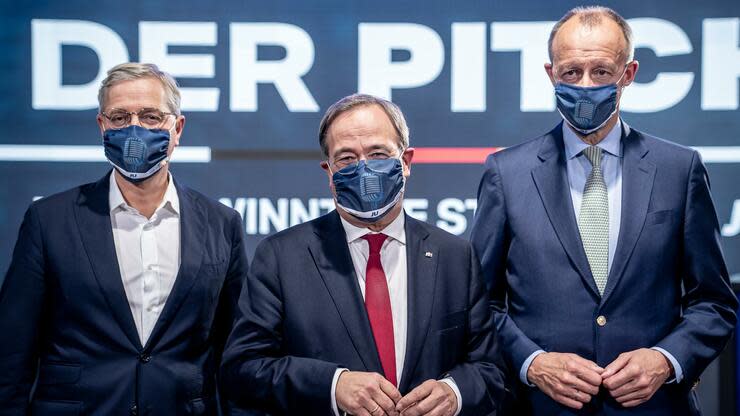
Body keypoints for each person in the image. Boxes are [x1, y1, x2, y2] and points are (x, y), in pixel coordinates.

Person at [471, 6, 737, 415]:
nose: (585, 85)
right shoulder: (506, 173)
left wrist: (666, 360)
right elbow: (480, 303)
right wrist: (533, 363)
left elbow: (715, 302)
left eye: (601, 72)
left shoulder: (678, 169)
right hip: (539, 407)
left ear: (628, 74)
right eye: (571, 72)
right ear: (550, 74)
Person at [221, 94, 504, 416]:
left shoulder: (455, 256)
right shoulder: (281, 257)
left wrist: (454, 392)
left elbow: (490, 370)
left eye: (378, 153)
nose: (364, 169)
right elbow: (242, 368)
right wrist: (332, 385)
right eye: (346, 159)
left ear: (406, 162)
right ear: (328, 171)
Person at [0, 63, 248, 415]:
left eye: (150, 117)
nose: (134, 130)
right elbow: (11, 352)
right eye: (119, 118)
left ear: (177, 128)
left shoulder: (222, 224)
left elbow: (235, 351)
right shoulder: (49, 221)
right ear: (102, 126)